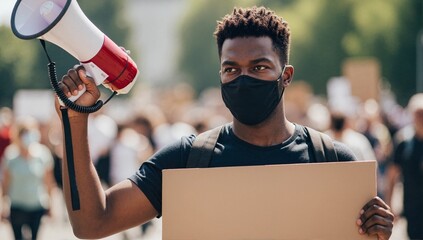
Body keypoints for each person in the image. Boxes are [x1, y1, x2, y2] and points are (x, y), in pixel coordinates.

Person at [56, 6, 394, 239]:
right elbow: (92, 222)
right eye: (231, 69)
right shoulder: (186, 161)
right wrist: (74, 118)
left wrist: (378, 232)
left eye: (259, 67)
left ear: (286, 76)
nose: (243, 78)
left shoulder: (333, 162)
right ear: (220, 75)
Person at [1, 116, 55, 240]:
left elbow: (49, 182)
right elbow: (5, 183)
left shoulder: (43, 155)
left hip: (36, 205)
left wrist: (50, 204)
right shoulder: (10, 156)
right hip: (17, 205)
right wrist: (3, 205)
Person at [385, 93, 423, 239]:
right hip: (412, 207)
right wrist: (389, 204)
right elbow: (392, 175)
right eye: (418, 114)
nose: (421, 118)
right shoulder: (403, 141)